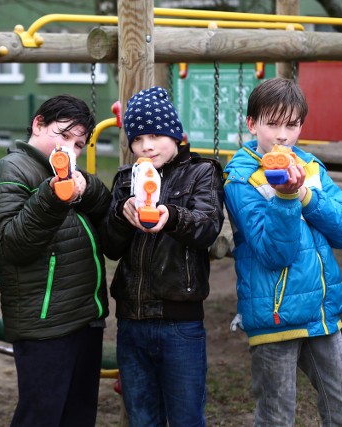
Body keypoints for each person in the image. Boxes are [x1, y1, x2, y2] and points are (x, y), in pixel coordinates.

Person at [224, 77, 342, 426]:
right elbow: (274, 253)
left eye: (292, 124)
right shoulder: (242, 179)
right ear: (252, 124)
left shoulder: (311, 167)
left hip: (320, 314)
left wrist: (304, 196)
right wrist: (286, 197)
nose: (282, 135)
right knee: (276, 418)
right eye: (272, 124)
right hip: (276, 318)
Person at [100, 86, 225, 426]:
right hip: (132, 320)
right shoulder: (126, 178)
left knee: (186, 417)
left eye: (155, 135)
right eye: (138, 138)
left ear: (175, 134)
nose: (146, 146)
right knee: (142, 416)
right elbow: (110, 247)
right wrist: (119, 217)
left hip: (180, 322)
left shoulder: (202, 171)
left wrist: (172, 216)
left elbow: (208, 227)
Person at [0, 94, 112, 427]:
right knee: (42, 414)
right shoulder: (12, 167)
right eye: (63, 135)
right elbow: (10, 244)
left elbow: (103, 212)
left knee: (78, 413)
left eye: (79, 143)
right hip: (46, 323)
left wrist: (88, 189)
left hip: (83, 316)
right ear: (38, 124)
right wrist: (53, 197)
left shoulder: (67, 174)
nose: (70, 149)